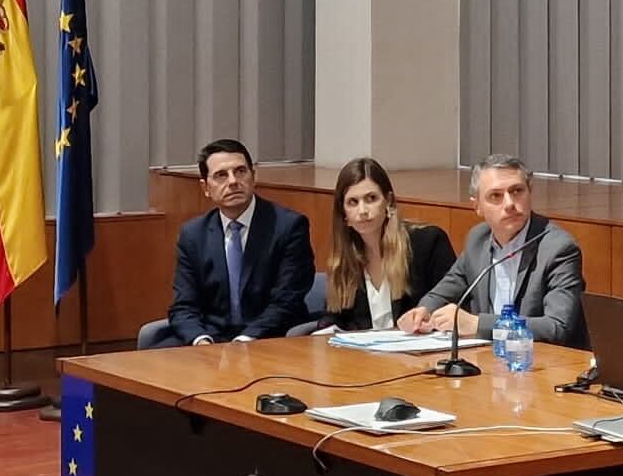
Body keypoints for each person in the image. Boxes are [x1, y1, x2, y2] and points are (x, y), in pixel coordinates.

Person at [397, 154, 588, 347]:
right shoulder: (478, 240)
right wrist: (423, 311)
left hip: (545, 365)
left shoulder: (558, 248)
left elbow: (557, 327)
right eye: (496, 196)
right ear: (477, 206)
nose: (509, 204)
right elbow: (444, 291)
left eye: (517, 191)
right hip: (491, 361)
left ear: (530, 193)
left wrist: (477, 324)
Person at [161, 139, 315, 346]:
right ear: (206, 187)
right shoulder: (193, 235)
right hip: (212, 342)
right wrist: (201, 341)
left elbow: (286, 302)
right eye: (221, 175)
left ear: (254, 177)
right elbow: (184, 306)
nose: (233, 181)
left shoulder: (288, 226)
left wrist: (244, 340)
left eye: (240, 171)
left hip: (270, 338)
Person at [312, 158, 458, 333]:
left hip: (418, 355)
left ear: (388, 201)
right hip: (360, 358)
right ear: (343, 214)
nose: (363, 211)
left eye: (371, 198)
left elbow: (450, 306)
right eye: (353, 202)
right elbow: (334, 317)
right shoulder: (344, 259)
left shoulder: (427, 243)